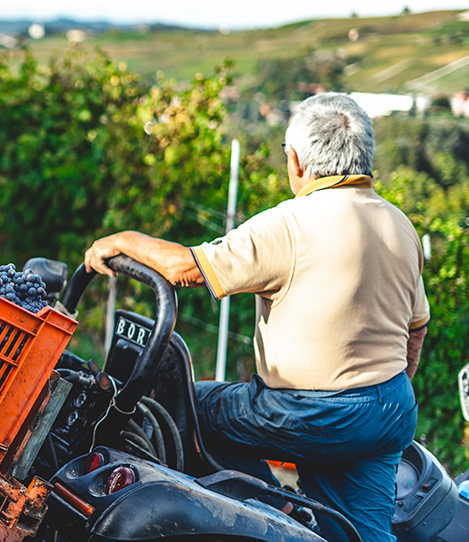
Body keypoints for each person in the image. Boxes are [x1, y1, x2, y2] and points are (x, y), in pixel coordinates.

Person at [84, 92, 429, 542]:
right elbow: (417, 328)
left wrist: (121, 239)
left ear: (298, 162)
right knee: (363, 534)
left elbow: (186, 268)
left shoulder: (291, 224)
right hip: (388, 411)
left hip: (308, 415)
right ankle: (298, 512)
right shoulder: (399, 224)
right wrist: (380, 392)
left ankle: (270, 510)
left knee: (193, 407)